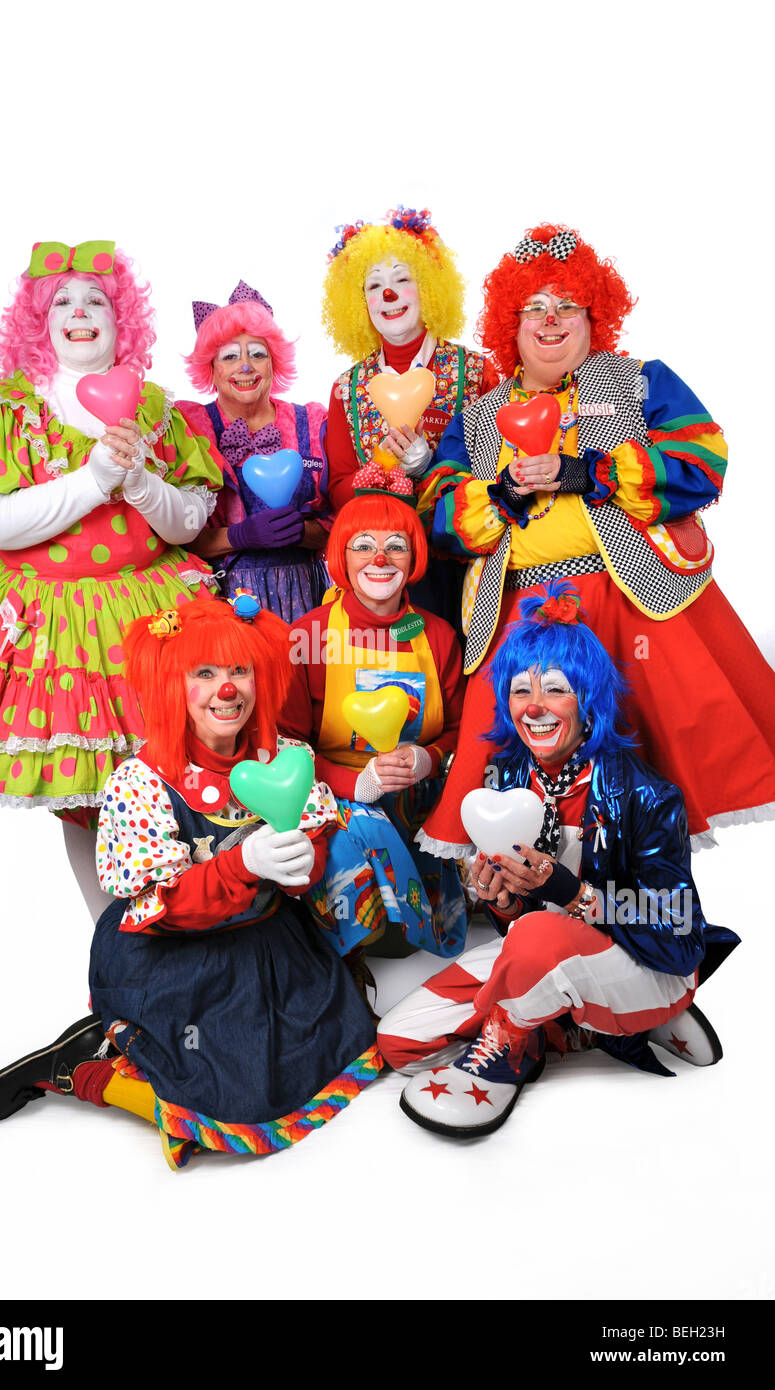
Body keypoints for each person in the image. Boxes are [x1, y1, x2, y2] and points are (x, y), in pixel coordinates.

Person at [0, 595, 381, 1168]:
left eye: (239, 671)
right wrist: (241, 865)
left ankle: (140, 1068)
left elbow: (308, 876)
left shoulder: (288, 759)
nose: (225, 690)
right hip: (174, 953)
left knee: (346, 1044)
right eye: (203, 674)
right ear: (173, 686)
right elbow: (169, 908)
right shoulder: (143, 781)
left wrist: (297, 868)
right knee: (238, 1096)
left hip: (265, 943)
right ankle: (83, 1073)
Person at [418, 223, 775, 852]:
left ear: (594, 316)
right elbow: (438, 511)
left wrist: (584, 471)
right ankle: (538, 894)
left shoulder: (639, 380)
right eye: (533, 308)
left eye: (567, 305)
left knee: (671, 746)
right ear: (512, 322)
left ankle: (655, 902)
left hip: (634, 593)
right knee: (528, 766)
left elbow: (703, 457)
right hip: (519, 612)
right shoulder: (478, 414)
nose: (550, 320)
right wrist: (502, 494)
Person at [0, 241, 222, 910]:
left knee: (167, 776)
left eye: (98, 300)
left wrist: (139, 482)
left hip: (149, 608)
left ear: (124, 320)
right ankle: (109, 943)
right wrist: (93, 480)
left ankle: (186, 923)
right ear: (37, 321)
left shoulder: (157, 408)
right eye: (63, 300)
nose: (81, 311)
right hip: (47, 621)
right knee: (84, 796)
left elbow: (188, 523)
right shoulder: (8, 407)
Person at [378, 582, 738, 1138]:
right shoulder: (507, 781)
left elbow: (678, 928)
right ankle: (587, 1026)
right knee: (401, 1041)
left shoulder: (645, 794)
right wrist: (503, 897)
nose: (535, 706)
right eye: (521, 690)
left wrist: (572, 894)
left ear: (588, 696)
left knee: (539, 936)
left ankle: (517, 1043)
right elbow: (518, 924)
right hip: (542, 955)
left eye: (555, 688)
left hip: (646, 962)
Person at [283, 474, 467, 960]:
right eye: (363, 546)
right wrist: (353, 783)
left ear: (414, 557)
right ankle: (354, 954)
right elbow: (283, 746)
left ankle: (424, 941)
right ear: (341, 556)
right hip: (335, 793)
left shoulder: (439, 635)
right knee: (357, 826)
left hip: (417, 795)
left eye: (396, 546)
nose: (380, 559)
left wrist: (427, 759)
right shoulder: (311, 634)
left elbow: (458, 730)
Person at [321, 208, 496, 624]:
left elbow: (497, 478)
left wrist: (429, 467)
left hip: (456, 564)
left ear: (430, 288)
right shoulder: (346, 386)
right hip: (376, 571)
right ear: (358, 301)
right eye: (374, 285)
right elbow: (338, 489)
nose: (389, 294)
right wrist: (381, 473)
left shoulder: (476, 372)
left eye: (402, 279)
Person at [180, 281, 331, 622]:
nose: (245, 366)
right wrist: (240, 535)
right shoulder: (191, 428)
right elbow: (171, 532)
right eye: (230, 356)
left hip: (306, 597)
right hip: (219, 603)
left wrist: (303, 533)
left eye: (257, 354)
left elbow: (344, 520)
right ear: (211, 368)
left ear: (274, 363)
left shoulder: (311, 422)